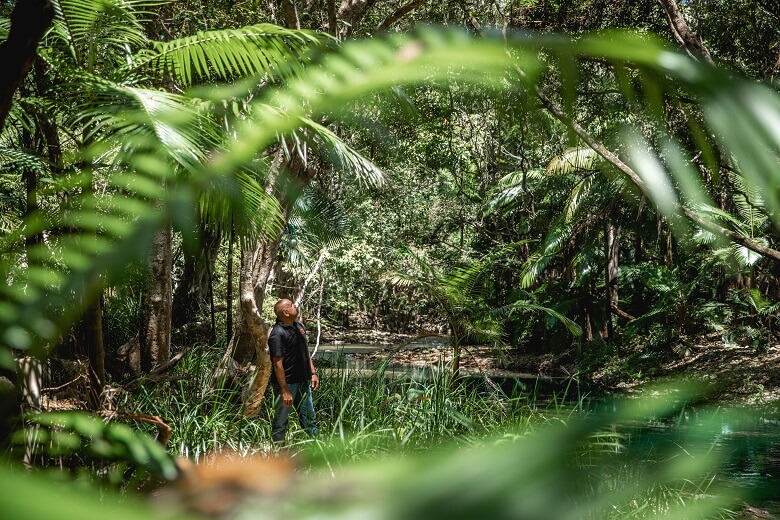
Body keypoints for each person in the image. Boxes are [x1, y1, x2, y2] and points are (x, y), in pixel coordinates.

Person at [269, 298, 319, 443]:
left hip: (303, 381)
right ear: (285, 312)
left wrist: (313, 373)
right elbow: (277, 363)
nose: (294, 306)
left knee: (309, 417)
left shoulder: (298, 326)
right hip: (287, 384)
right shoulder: (277, 334)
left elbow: (305, 352)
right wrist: (284, 390)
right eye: (291, 305)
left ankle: (316, 448)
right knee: (281, 420)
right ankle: (278, 451)